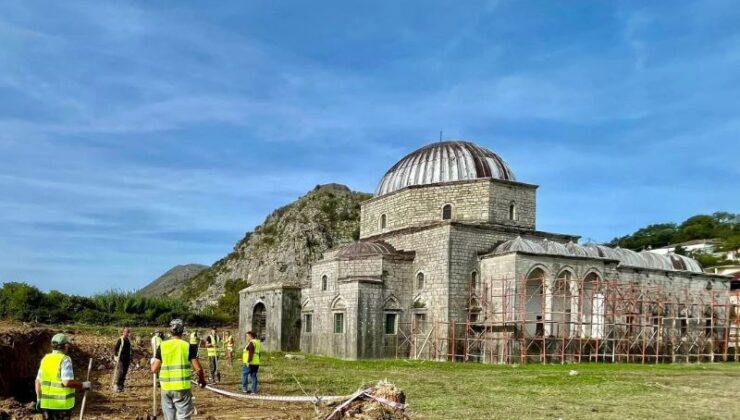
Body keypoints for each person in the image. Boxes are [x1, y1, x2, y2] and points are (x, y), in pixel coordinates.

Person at [151, 319, 206, 420]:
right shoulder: (186, 346)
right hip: (182, 389)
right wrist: (202, 380)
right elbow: (198, 369)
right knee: (183, 417)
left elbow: (154, 369)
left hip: (166, 388)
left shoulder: (162, 346)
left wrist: (152, 362)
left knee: (169, 418)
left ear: (170, 330)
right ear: (182, 331)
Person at [35, 333, 92, 420]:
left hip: (46, 405)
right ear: (65, 346)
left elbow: (38, 381)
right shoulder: (65, 359)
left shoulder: (45, 359)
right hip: (61, 406)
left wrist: (39, 399)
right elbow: (66, 382)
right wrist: (83, 385)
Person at [113, 327, 133, 392]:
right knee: (120, 371)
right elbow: (116, 349)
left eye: (128, 332)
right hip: (121, 359)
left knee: (124, 372)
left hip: (127, 359)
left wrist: (131, 357)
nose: (127, 333)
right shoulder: (120, 340)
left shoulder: (128, 340)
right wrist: (116, 356)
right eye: (126, 332)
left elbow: (130, 349)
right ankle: (117, 384)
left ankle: (121, 385)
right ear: (123, 332)